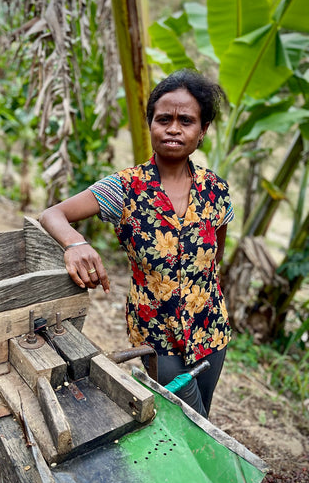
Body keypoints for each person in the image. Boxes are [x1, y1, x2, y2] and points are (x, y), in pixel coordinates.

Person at [39, 68, 234, 421]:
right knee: (189, 421)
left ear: (202, 130)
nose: (173, 128)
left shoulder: (217, 190)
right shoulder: (126, 188)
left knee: (197, 421)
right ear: (151, 125)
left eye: (186, 121)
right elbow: (52, 215)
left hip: (211, 330)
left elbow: (215, 255)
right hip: (156, 338)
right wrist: (76, 244)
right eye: (164, 119)